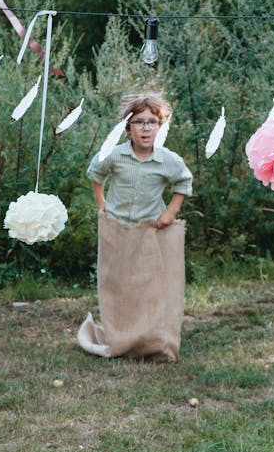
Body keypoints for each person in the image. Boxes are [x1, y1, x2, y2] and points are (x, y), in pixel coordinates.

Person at [77, 92, 193, 362]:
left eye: (152, 122)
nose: (145, 128)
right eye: (139, 122)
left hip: (149, 230)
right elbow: (96, 173)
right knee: (118, 285)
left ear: (160, 126)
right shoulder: (115, 156)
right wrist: (101, 203)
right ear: (128, 127)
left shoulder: (168, 160)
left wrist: (171, 211)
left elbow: (183, 183)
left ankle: (150, 340)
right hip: (117, 229)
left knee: (148, 286)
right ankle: (120, 337)